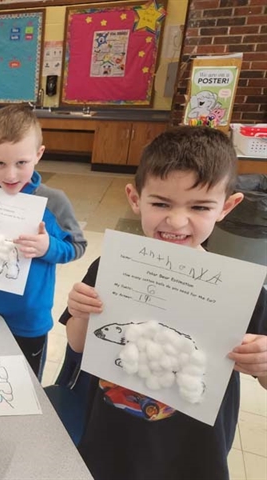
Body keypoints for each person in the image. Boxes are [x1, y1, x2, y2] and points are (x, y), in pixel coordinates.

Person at [61, 126, 266, 480]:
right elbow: (79, 344)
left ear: (227, 207)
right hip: (110, 434)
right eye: (160, 203)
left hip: (191, 449)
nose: (176, 221)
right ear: (135, 198)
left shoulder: (242, 292)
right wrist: (79, 312)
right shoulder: (109, 267)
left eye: (200, 206)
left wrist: (263, 362)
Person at [0, 105, 87, 379]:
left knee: (25, 386)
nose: (10, 175)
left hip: (29, 320)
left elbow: (77, 246)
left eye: (21, 163)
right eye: (0, 163)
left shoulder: (54, 201)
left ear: (38, 155)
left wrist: (48, 247)